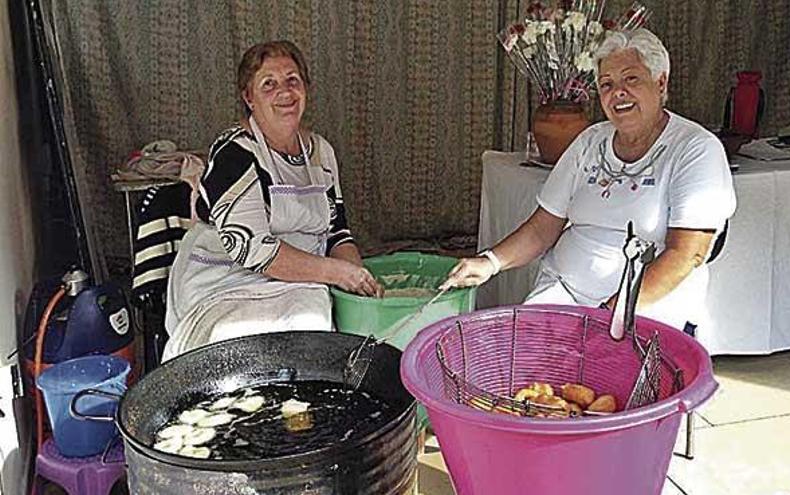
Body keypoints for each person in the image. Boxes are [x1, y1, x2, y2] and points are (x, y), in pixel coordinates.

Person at [443, 28, 736, 330]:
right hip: (563, 290)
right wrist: (489, 262)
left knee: (590, 373)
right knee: (521, 364)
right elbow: (543, 228)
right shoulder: (590, 141)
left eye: (631, 79)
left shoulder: (695, 149)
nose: (617, 92)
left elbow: (685, 255)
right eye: (606, 84)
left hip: (642, 308)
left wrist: (611, 314)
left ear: (660, 82)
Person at [163, 40, 382, 361]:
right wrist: (338, 274)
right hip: (227, 283)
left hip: (302, 281)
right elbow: (251, 249)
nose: (285, 92)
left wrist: (359, 284)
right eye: (269, 84)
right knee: (240, 350)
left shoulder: (321, 152)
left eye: (293, 80)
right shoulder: (234, 152)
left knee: (313, 334)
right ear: (248, 97)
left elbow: (338, 233)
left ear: (306, 88)